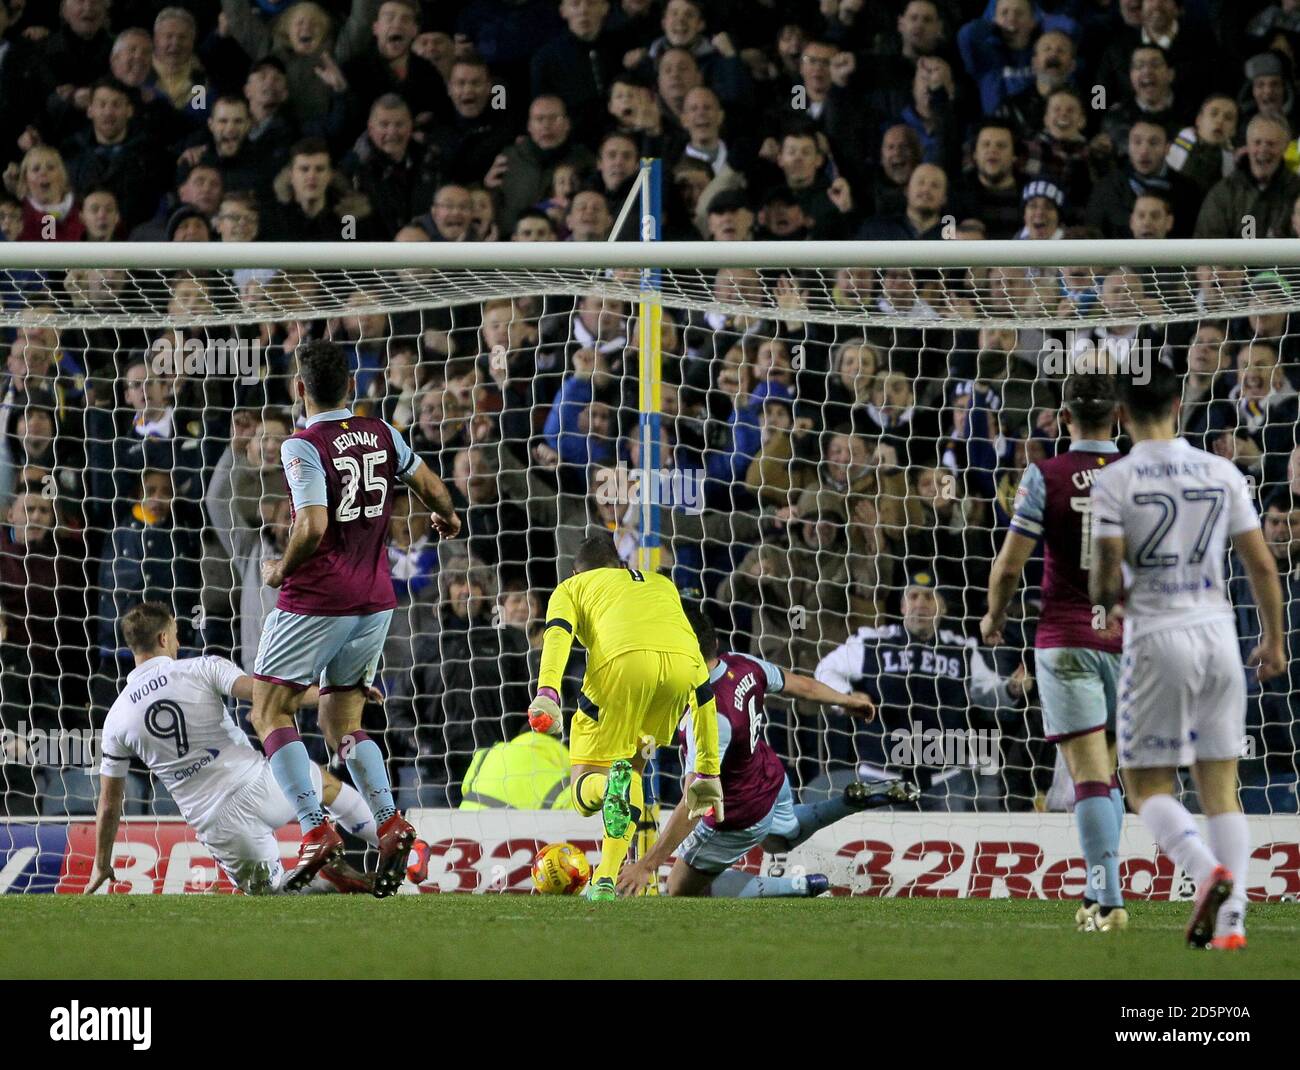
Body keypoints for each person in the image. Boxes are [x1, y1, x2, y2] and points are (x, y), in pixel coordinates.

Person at [249, 339, 461, 894]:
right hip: (376, 599)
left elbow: (313, 525)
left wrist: (278, 572)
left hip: (318, 596)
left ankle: (317, 829)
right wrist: (448, 516)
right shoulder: (382, 433)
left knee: (269, 712)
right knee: (343, 723)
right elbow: (431, 485)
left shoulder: (302, 445)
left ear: (300, 389)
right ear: (350, 387)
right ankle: (388, 822)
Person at [1088, 363, 1286, 950]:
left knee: (1143, 782)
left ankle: (1205, 873)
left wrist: (1112, 594)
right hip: (1220, 634)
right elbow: (1261, 564)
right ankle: (1232, 926)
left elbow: (1102, 582)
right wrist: (1274, 640)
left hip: (1157, 634)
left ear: (1121, 414)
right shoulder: (1221, 471)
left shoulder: (1115, 480)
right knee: (1220, 785)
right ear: (1179, 404)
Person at [86, 603, 429, 895]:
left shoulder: (116, 719)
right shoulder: (201, 667)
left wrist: (102, 864)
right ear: (164, 638)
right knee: (323, 784)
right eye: (175, 635)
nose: (177, 641)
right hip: (262, 786)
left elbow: (109, 804)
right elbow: (267, 696)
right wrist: (335, 695)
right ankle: (407, 848)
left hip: (217, 823)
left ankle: (327, 880)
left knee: (274, 892)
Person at [615, 605, 915, 898]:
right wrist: (847, 701)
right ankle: (850, 802)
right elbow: (804, 686)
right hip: (771, 778)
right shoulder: (742, 663)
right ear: (715, 644)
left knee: (681, 889)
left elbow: (699, 799)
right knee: (780, 841)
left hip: (737, 812)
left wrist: (647, 865)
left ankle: (795, 887)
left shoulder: (708, 718)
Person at [982, 374, 1127, 932]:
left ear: (1064, 420)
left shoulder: (1045, 475)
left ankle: (1106, 898)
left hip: (1065, 637)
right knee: (1109, 770)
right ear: (1116, 417)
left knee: (1088, 773)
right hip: (1130, 637)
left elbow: (1010, 565)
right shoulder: (1140, 473)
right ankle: (1105, 894)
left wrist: (994, 617)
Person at [525, 533, 722, 901]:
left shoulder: (572, 587)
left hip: (622, 666)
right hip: (682, 675)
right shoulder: (662, 584)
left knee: (585, 792)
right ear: (619, 565)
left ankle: (605, 787)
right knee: (631, 768)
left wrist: (547, 693)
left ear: (575, 570)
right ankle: (604, 880)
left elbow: (558, 634)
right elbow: (701, 683)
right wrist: (709, 770)